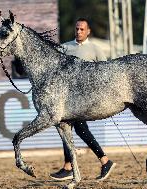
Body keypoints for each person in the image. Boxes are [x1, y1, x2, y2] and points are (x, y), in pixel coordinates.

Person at [50, 18, 116, 182]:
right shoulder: (65, 47)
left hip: (85, 99)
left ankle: (70, 167)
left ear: (88, 31)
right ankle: (102, 161)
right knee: (73, 128)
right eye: (77, 29)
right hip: (67, 98)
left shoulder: (95, 49)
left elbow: (106, 72)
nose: (78, 32)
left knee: (71, 127)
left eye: (82, 29)